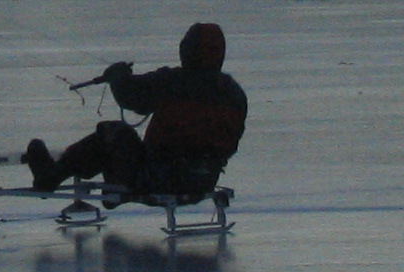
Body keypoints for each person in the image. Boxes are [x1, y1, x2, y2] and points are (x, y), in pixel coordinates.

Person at [24, 22, 246, 200]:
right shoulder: (234, 94)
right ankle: (106, 187)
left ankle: (52, 175)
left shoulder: (172, 81)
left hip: (153, 179)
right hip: (201, 183)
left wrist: (117, 76)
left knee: (114, 133)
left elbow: (132, 97)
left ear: (187, 50)